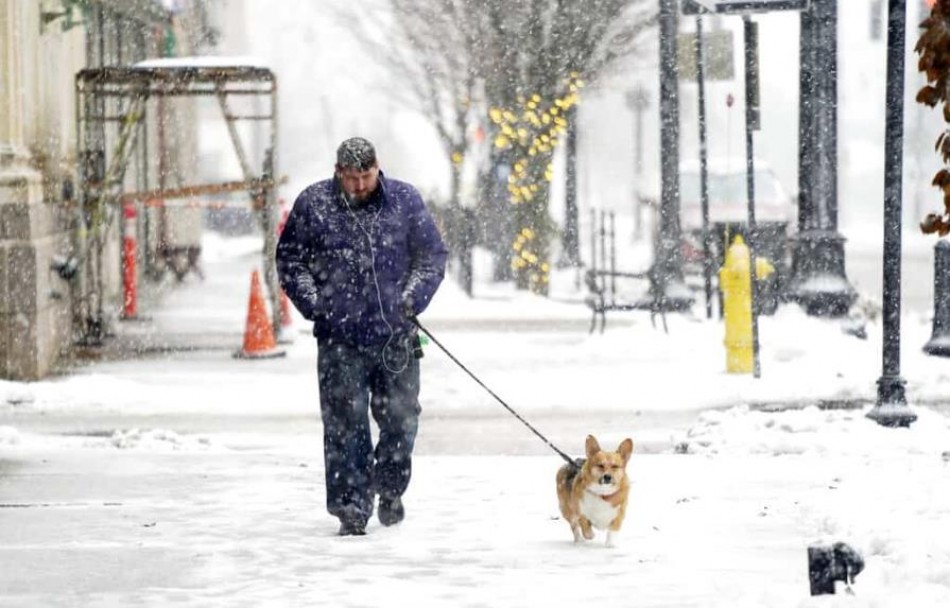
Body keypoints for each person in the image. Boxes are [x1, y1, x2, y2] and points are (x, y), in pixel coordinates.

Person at [276, 137, 448, 536]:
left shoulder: (404, 201)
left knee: (402, 418)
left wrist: (412, 298)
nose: (358, 186)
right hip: (339, 338)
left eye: (365, 177)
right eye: (350, 178)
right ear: (338, 172)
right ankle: (351, 508)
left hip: (396, 335)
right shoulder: (314, 204)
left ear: (377, 169)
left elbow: (431, 256)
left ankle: (389, 486)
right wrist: (316, 304)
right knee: (344, 425)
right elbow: (290, 260)